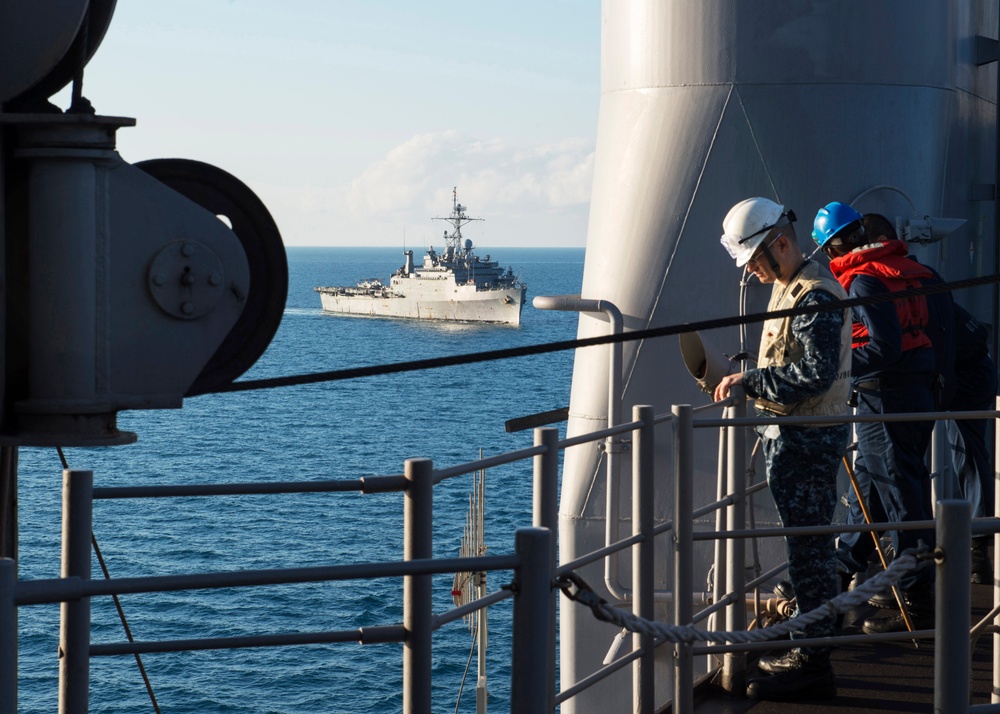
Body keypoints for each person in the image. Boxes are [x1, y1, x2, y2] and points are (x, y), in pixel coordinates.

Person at [717, 197, 852, 701]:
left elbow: (815, 374)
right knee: (806, 549)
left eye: (754, 260)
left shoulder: (814, 295)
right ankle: (811, 643)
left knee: (810, 552)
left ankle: (812, 663)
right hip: (796, 438)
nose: (751, 271)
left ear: (779, 245)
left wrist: (751, 381)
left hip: (808, 441)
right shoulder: (791, 285)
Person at [813, 202, 937, 634]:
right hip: (909, 394)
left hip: (886, 400)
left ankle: (917, 604)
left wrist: (835, 370)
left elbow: (885, 347)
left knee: (901, 499)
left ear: (832, 248)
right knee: (870, 487)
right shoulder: (897, 269)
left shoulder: (865, 280)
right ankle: (841, 569)